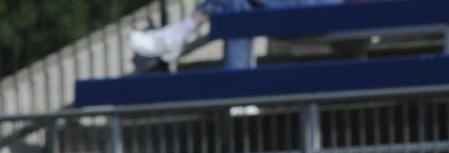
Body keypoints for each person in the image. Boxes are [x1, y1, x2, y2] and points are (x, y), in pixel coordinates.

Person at [130, 0, 347, 70]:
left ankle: (178, 33)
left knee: (236, 3)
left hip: (334, 8)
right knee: (237, 5)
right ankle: (241, 95)